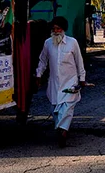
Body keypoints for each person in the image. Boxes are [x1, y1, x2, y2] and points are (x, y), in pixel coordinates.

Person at [35, 16, 86, 147]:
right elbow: (43, 61)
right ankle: (62, 128)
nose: (56, 31)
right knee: (55, 109)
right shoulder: (48, 43)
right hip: (54, 83)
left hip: (70, 82)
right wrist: (38, 75)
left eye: (58, 29)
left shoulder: (72, 42)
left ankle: (63, 132)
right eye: (54, 29)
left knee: (68, 107)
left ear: (63, 29)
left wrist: (82, 79)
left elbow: (79, 62)